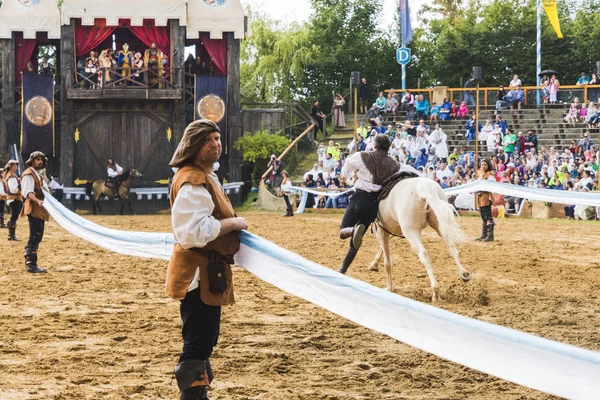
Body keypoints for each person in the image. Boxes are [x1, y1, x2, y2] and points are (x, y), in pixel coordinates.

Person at [167, 119, 248, 400]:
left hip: (208, 271)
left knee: (203, 343)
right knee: (197, 346)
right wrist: (234, 223)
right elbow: (193, 233)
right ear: (194, 146)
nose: (216, 144)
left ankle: (199, 395)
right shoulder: (192, 181)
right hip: (198, 274)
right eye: (208, 140)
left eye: (217, 138)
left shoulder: (205, 176)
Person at [338, 134, 400, 274]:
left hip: (359, 198)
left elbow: (347, 164)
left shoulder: (363, 156)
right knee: (356, 242)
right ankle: (343, 269)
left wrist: (345, 175)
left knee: (343, 232)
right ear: (388, 147)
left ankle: (353, 231)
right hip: (374, 205)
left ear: (375, 145)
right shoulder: (394, 164)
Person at [20, 152, 51, 273]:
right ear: (32, 161)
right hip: (34, 207)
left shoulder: (38, 174)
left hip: (39, 207)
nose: (40, 162)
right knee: (35, 235)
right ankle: (31, 264)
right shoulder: (28, 174)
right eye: (38, 159)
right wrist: (37, 201)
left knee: (38, 235)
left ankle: (32, 263)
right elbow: (28, 192)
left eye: (42, 159)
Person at [475, 159, 496, 242]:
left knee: (488, 216)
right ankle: (484, 234)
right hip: (480, 198)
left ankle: (490, 235)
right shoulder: (480, 175)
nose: (483, 166)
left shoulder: (490, 177)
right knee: (483, 216)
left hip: (487, 198)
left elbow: (492, 186)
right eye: (482, 164)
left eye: (485, 165)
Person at [5, 160, 22, 241]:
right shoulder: (11, 176)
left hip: (14, 199)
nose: (15, 167)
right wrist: (21, 189)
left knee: (14, 217)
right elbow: (13, 190)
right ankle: (11, 235)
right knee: (14, 217)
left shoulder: (12, 175)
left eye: (16, 166)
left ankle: (10, 231)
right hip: (14, 199)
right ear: (10, 166)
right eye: (14, 166)